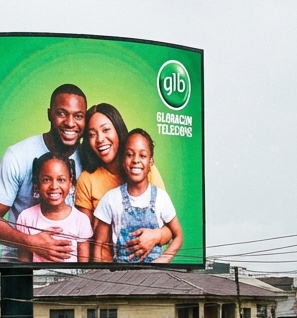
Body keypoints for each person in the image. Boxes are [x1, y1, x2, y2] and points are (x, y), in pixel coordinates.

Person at [0, 84, 87, 262]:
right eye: (62, 113)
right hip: (19, 259)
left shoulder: (90, 157)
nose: (70, 123)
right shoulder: (17, 155)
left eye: (78, 116)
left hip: (70, 265)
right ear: (49, 114)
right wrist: (31, 242)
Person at [75, 102, 172, 261]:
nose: (100, 139)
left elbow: (170, 229)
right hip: (107, 272)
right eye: (92, 134)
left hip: (149, 268)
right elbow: (85, 239)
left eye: (106, 130)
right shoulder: (87, 180)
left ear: (118, 130)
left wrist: (156, 235)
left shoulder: (145, 170)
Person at [91, 130, 183, 264]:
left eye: (143, 155)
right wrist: (100, 276)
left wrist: (162, 260)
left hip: (155, 277)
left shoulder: (161, 198)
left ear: (151, 161)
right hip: (122, 277)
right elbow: (98, 244)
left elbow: (178, 236)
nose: (135, 160)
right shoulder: (111, 198)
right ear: (123, 160)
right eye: (129, 154)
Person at [16, 154, 93, 263]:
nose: (54, 186)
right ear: (36, 185)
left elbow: (83, 266)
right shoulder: (26, 218)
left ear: (71, 183)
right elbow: (24, 263)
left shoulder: (81, 220)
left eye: (61, 179)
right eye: (46, 180)